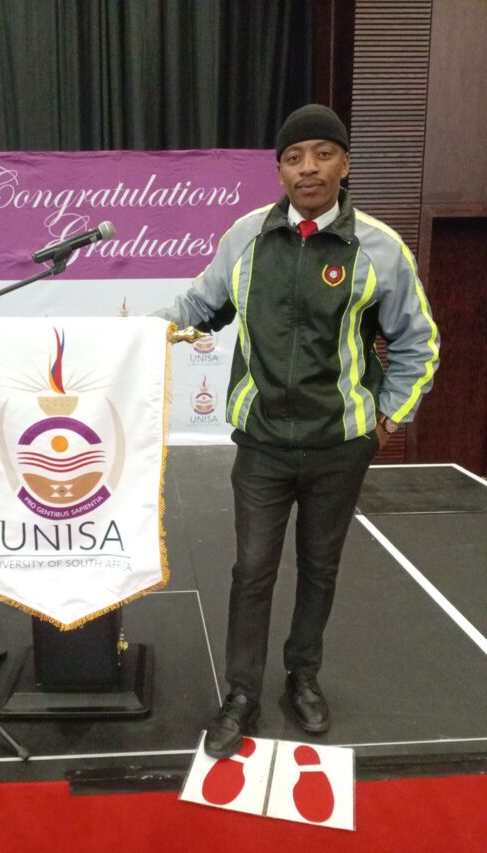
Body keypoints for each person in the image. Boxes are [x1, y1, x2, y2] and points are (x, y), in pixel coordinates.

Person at [155, 104, 440, 759]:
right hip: (262, 445)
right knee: (252, 570)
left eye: (322, 153)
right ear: (279, 170)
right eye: (293, 157)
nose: (307, 168)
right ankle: (241, 694)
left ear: (345, 164)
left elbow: (418, 341)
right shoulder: (246, 237)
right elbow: (198, 305)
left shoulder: (380, 249)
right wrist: (130, 335)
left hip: (339, 447)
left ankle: (303, 677)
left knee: (319, 568)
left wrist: (387, 419)